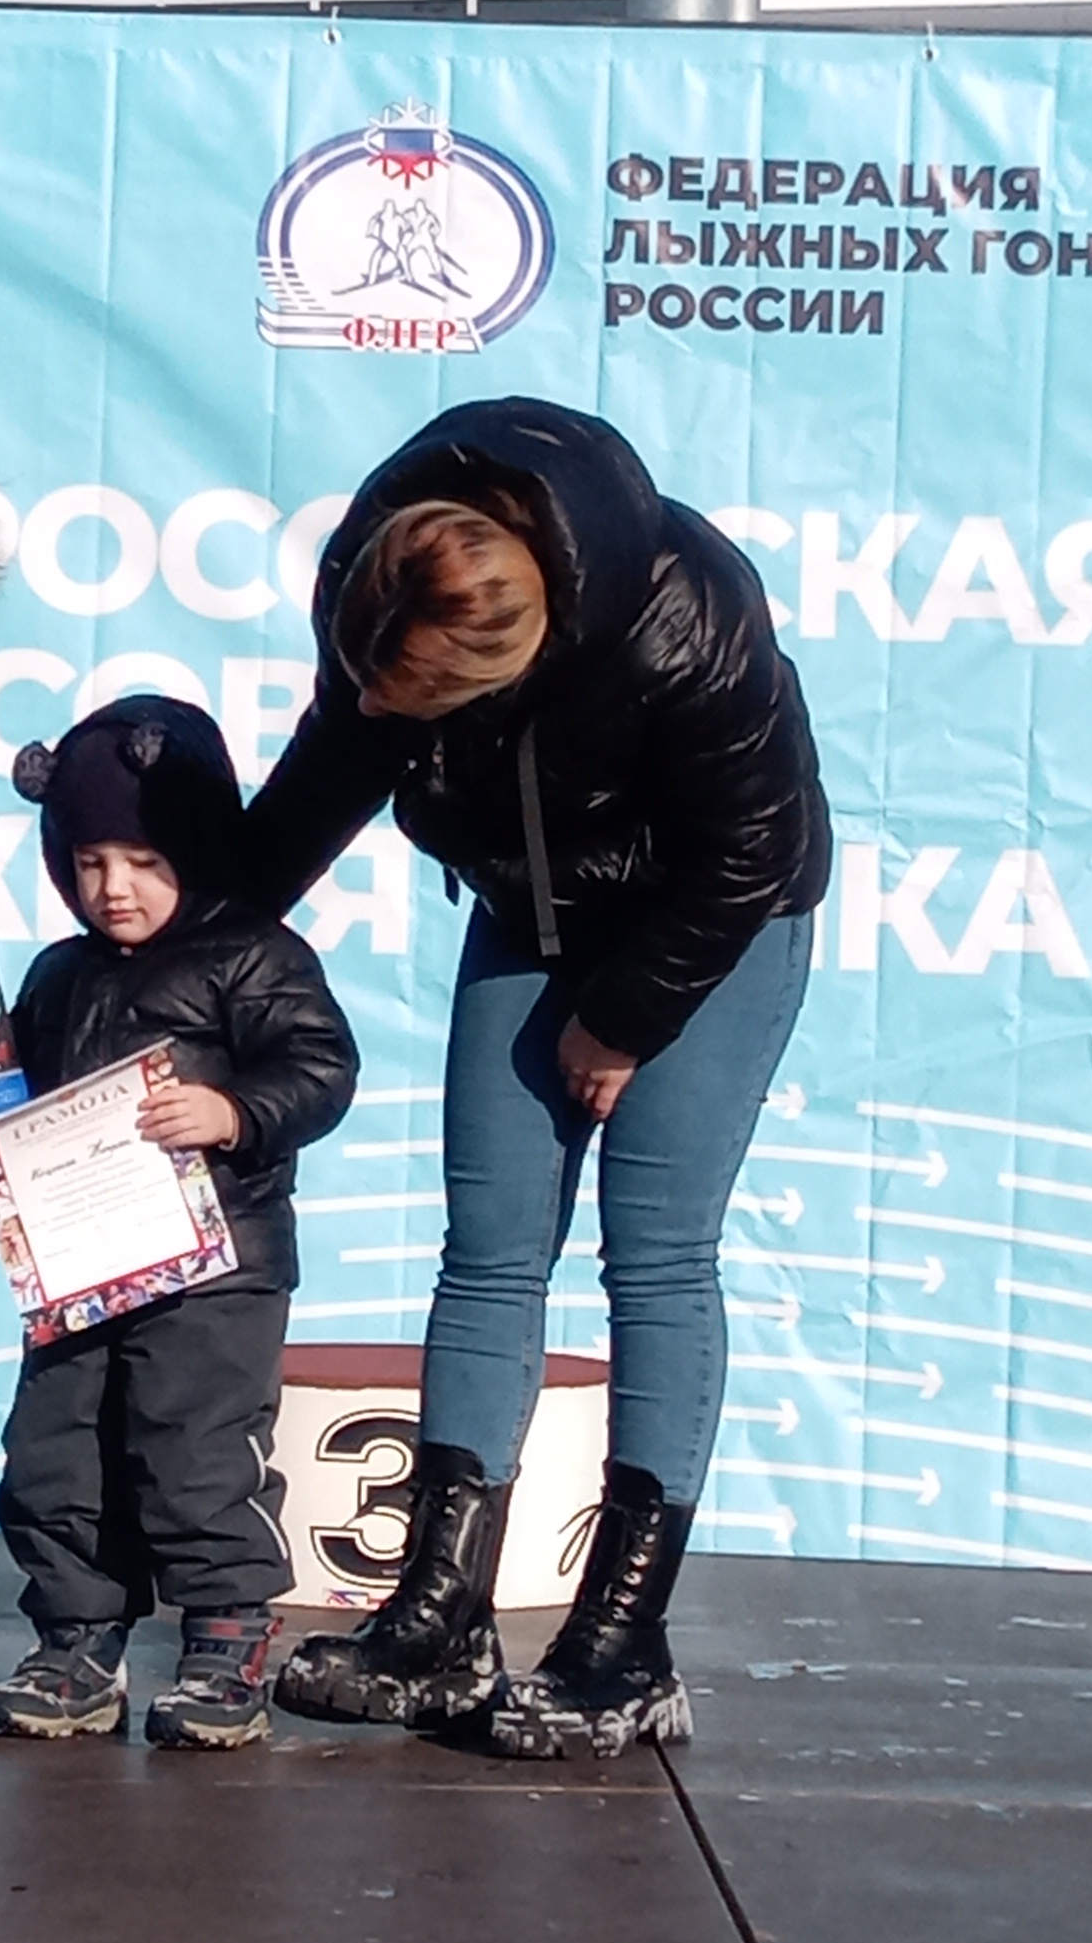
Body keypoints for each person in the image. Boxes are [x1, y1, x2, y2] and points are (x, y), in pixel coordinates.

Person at [236, 403, 829, 1763]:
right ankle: (437, 1620)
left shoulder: (688, 615)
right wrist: (204, 939)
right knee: (489, 1249)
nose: (380, 710)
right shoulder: (388, 570)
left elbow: (749, 847)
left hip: (711, 918)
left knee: (658, 1256)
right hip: (532, 905)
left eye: (418, 701)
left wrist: (621, 1021)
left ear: (515, 669)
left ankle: (622, 1643)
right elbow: (331, 769)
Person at [0, 698, 360, 1753]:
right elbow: (9, 1107)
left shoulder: (254, 956)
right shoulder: (59, 971)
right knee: (56, 1454)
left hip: (218, 1271)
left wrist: (233, 1112)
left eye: (144, 861)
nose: (113, 887)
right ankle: (77, 1644)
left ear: (197, 851)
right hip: (80, 1270)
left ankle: (225, 1647)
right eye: (89, 863)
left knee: (198, 1452)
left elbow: (321, 1067)